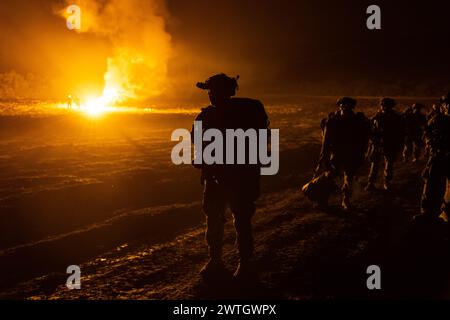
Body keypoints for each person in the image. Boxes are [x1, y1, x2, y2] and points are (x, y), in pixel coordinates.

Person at [191, 73, 269, 280]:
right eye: (210, 92)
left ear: (226, 93)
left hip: (237, 177)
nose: (211, 95)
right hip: (219, 177)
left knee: (239, 220)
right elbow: (198, 143)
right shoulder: (208, 116)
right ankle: (217, 260)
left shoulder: (243, 114)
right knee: (216, 220)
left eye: (214, 91)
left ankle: (243, 263)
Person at [317, 97, 371, 210]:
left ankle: (345, 200)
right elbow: (326, 140)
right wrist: (324, 156)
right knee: (330, 177)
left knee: (348, 178)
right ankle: (323, 200)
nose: (345, 107)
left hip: (352, 153)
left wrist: (363, 153)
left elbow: (364, 138)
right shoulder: (333, 120)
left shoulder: (358, 120)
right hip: (337, 153)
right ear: (340, 106)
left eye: (348, 105)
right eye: (343, 105)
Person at [414, 93, 450, 223]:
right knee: (430, 184)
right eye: (447, 103)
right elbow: (427, 133)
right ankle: (427, 212)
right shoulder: (437, 120)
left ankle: (446, 212)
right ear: (444, 106)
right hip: (438, 156)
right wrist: (431, 142)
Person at [365, 98, 405, 191]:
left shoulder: (396, 117)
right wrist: (373, 140)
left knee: (388, 164)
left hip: (389, 143)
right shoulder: (377, 117)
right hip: (378, 143)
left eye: (387, 105)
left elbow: (400, 132)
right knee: (375, 164)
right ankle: (371, 183)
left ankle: (386, 182)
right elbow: (371, 130)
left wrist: (398, 143)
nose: (385, 107)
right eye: (383, 105)